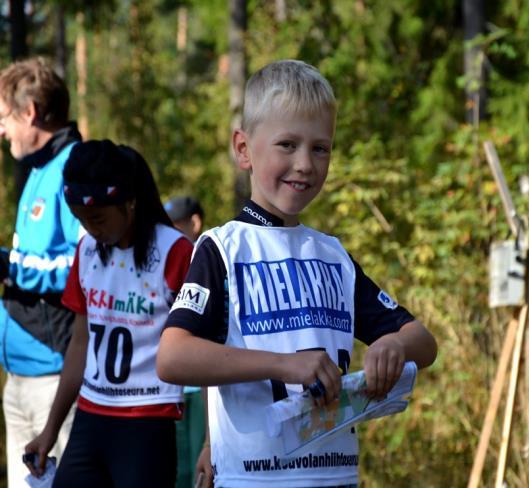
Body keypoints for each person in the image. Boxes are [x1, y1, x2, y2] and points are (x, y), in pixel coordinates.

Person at [157, 60, 438, 487]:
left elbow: (425, 342)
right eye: (287, 144)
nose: (305, 163)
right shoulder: (223, 248)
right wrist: (284, 366)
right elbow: (173, 357)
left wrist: (393, 344)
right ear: (244, 148)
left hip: (336, 478)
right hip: (254, 481)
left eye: (320, 148)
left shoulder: (333, 257)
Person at [24, 140, 193, 487]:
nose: (90, 229)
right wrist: (50, 430)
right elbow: (80, 344)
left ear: (130, 203)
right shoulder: (87, 250)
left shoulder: (175, 252)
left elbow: (204, 343)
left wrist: (210, 441)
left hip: (148, 419)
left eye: (98, 218)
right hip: (91, 415)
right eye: (81, 220)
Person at [0, 57, 82, 487]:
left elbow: (82, 263)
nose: (1, 130)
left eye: (3, 118)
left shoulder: (73, 166)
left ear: (30, 112)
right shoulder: (36, 169)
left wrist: (8, 264)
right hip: (19, 377)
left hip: (55, 379)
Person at [164, 195, 209, 488]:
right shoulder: (166, 259)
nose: (169, 234)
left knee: (199, 470)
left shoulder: (209, 262)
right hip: (172, 387)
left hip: (202, 388)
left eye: (176, 226)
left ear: (194, 223)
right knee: (176, 472)